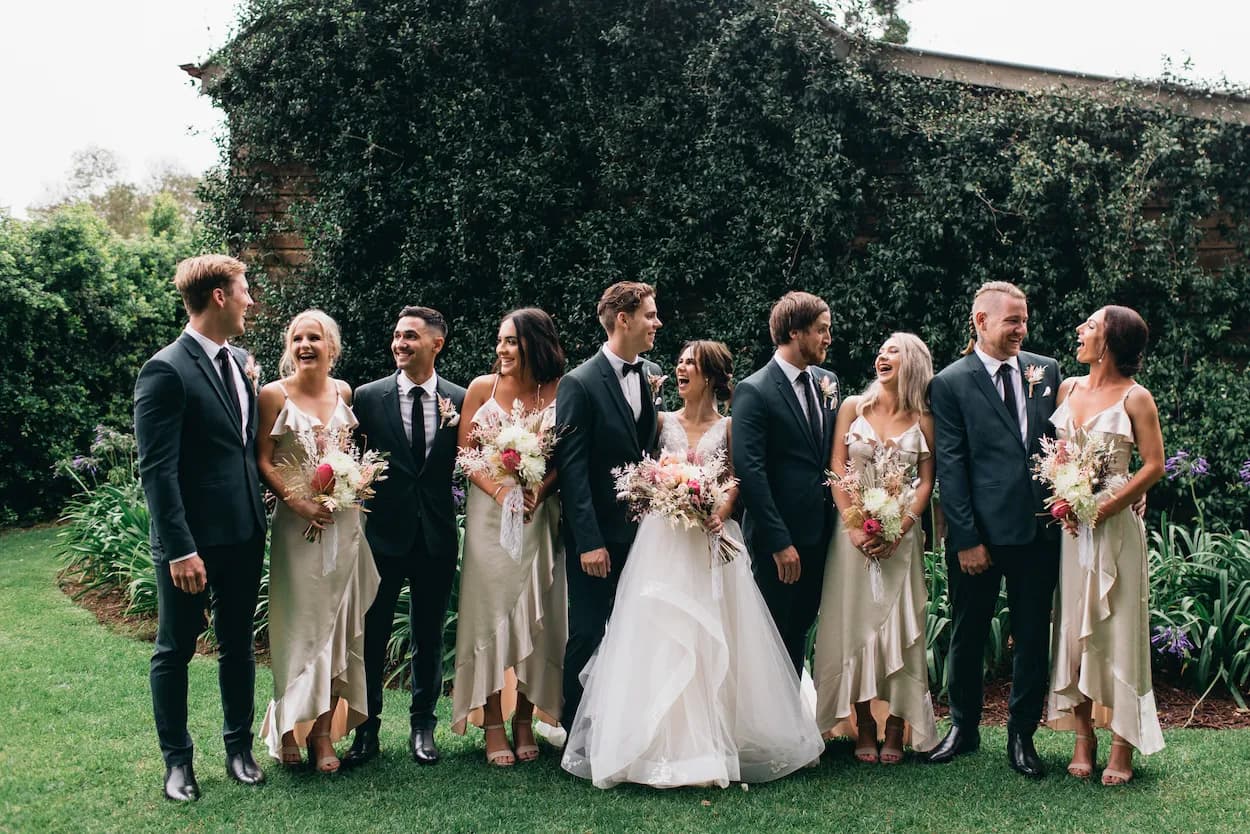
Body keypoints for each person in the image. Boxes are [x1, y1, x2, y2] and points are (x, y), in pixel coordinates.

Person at [562, 341, 824, 788]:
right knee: (662, 635)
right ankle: (654, 740)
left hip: (714, 540)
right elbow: (644, 471)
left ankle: (722, 737)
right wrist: (666, 494)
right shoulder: (661, 422)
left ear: (711, 377)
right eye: (680, 362)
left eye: (691, 364)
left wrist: (720, 509)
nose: (681, 369)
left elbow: (738, 477)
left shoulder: (730, 425)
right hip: (662, 542)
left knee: (719, 634)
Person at [134, 254, 268, 801]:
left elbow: (241, 447)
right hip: (191, 544)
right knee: (175, 649)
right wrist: (180, 550)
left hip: (244, 532)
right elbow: (157, 471)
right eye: (243, 290)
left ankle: (239, 750)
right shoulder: (165, 369)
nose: (249, 301)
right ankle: (177, 762)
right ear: (219, 296)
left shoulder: (241, 361)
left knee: (238, 645)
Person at [926, 281, 1062, 777]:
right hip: (978, 535)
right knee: (968, 632)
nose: (1021, 330)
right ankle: (963, 727)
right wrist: (966, 539)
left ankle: (1022, 736)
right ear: (980, 321)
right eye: (1012, 321)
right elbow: (951, 465)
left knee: (1032, 635)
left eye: (1024, 320)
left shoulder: (1046, 370)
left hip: (1038, 532)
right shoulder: (950, 382)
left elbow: (1063, 441)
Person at [340, 306, 466, 767]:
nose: (400, 343)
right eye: (396, 336)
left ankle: (422, 727)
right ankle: (366, 729)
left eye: (410, 336)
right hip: (382, 537)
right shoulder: (368, 397)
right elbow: (350, 460)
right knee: (372, 635)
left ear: (436, 344)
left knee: (427, 635)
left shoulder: (460, 399)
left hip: (435, 535)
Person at [255, 310, 380, 773]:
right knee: (298, 627)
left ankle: (323, 734)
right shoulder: (273, 395)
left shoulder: (344, 391)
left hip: (343, 526)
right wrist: (299, 502)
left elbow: (344, 456)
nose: (305, 345)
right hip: (298, 529)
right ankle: (288, 728)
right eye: (297, 338)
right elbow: (262, 460)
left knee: (336, 627)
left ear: (332, 347)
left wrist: (352, 485)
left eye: (315, 337)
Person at [1046, 305, 1165, 785]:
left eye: (1091, 326)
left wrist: (1109, 506)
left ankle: (1122, 744)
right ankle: (1083, 738)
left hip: (1115, 528)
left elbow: (1154, 465)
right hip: (1072, 528)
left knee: (1119, 628)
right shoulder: (1068, 388)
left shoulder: (1137, 398)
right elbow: (1059, 454)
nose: (1080, 330)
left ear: (1111, 341)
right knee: (1074, 627)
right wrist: (1064, 493)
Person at [813, 333, 939, 763]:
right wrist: (853, 525)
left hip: (900, 538)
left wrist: (900, 529)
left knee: (901, 625)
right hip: (851, 536)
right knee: (853, 623)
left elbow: (926, 482)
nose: (882, 356)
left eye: (893, 351)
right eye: (881, 350)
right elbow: (836, 467)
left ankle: (898, 726)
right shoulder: (853, 407)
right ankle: (864, 723)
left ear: (913, 363)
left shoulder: (924, 418)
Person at [451, 308, 567, 766]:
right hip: (490, 517)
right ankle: (493, 721)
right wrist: (501, 492)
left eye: (512, 341)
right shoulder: (483, 388)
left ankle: (523, 718)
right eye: (500, 340)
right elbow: (465, 454)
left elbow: (566, 456)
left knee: (538, 616)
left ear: (535, 343)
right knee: (488, 614)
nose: (502, 349)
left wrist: (542, 489)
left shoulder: (560, 390)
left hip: (539, 515)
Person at [555, 281, 662, 730]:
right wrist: (589, 542)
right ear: (623, 319)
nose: (657, 323)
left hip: (644, 534)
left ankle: (624, 726)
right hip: (598, 536)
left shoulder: (651, 373)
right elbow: (572, 471)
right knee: (587, 630)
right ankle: (574, 728)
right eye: (649, 315)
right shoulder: (578, 383)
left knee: (635, 630)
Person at [731, 291, 840, 675]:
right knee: (770, 636)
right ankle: (763, 712)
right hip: (777, 542)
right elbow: (750, 472)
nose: (828, 338)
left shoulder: (828, 382)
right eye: (821, 330)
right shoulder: (754, 390)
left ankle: (789, 709)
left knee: (798, 633)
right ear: (795, 332)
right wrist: (779, 543)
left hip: (820, 534)